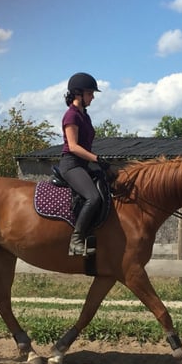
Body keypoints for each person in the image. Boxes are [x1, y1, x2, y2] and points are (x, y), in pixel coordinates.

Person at [59, 72, 110, 256]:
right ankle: (76, 240)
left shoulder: (84, 115)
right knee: (93, 197)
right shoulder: (71, 116)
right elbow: (73, 146)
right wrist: (96, 159)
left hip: (83, 165)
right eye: (90, 93)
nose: (93, 97)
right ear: (77, 94)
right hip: (71, 165)